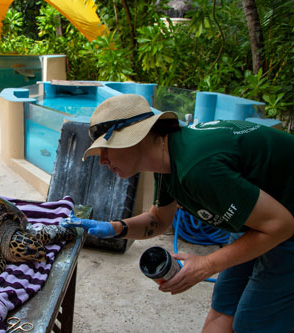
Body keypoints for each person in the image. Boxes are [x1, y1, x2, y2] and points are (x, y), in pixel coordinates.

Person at [61, 94, 294, 332]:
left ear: (135, 138)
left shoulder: (197, 169)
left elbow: (281, 225)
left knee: (252, 323)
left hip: (283, 226)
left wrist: (207, 264)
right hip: (256, 222)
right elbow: (159, 220)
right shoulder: (167, 159)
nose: (102, 160)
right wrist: (114, 228)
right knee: (223, 308)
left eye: (106, 149)